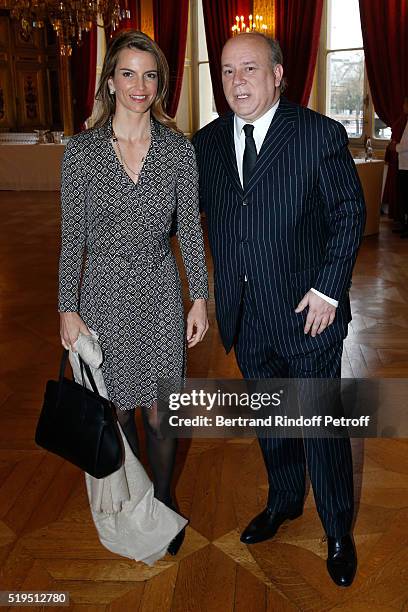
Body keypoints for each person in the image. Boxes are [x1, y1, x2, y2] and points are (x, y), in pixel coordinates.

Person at [192, 32, 365, 586]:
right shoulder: (208, 142)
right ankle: (286, 502)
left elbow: (349, 214)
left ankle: (338, 528)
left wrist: (329, 289)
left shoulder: (317, 134)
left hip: (307, 316)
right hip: (248, 317)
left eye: (249, 68)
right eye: (226, 71)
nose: (237, 82)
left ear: (278, 73)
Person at [58, 30, 209, 556]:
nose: (139, 85)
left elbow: (188, 227)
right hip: (101, 294)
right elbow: (72, 236)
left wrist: (200, 297)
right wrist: (66, 307)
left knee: (159, 411)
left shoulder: (177, 150)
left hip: (160, 291)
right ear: (110, 81)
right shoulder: (82, 152)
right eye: (128, 73)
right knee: (118, 413)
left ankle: (163, 501)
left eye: (150, 75)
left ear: (160, 83)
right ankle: (132, 501)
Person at [385, 96, 408, 235]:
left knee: (407, 196)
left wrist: (395, 147)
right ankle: (404, 224)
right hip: (403, 164)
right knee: (404, 196)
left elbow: (406, 145)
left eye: (405, 103)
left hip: (407, 165)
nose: (403, 106)